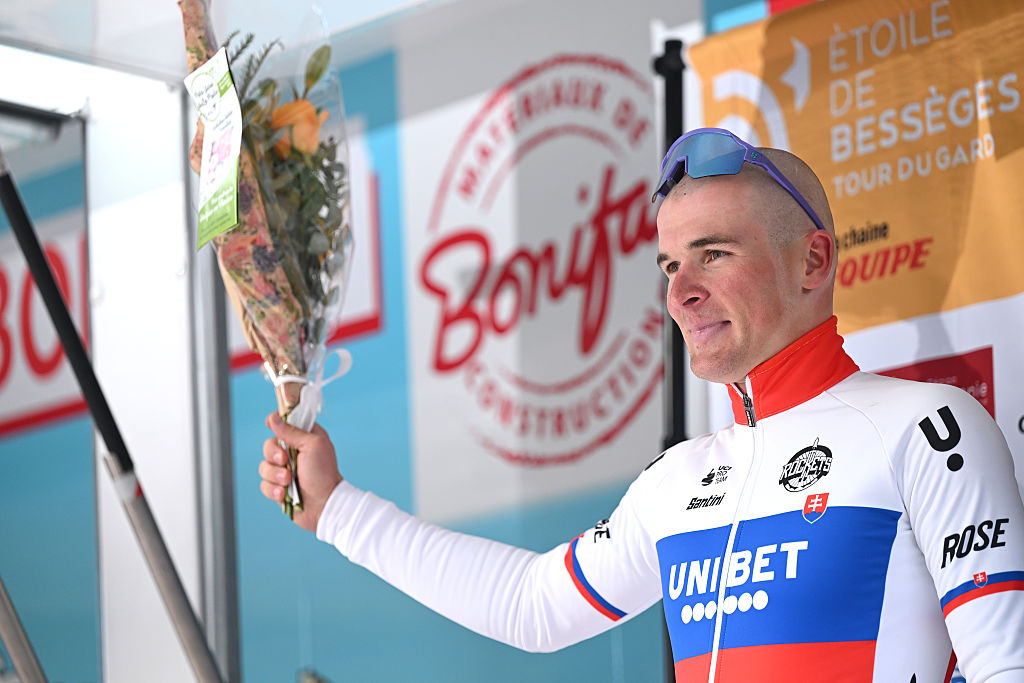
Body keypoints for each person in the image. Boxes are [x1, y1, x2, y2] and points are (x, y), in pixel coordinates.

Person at [260, 128, 1024, 681]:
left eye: (714, 254)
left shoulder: (926, 427)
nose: (680, 291)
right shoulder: (678, 480)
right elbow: (531, 606)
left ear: (813, 259)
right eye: (669, 264)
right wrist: (336, 509)